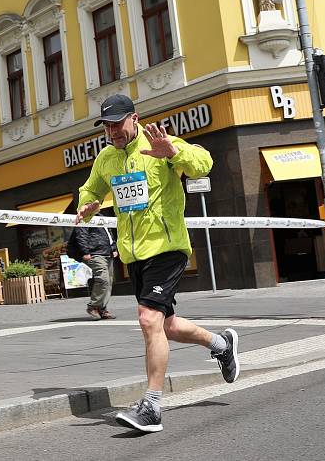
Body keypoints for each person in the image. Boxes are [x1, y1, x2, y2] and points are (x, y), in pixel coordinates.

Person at [75, 94, 239, 433]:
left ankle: (151, 406)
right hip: (135, 255)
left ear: (134, 118)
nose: (112, 132)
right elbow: (89, 188)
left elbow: (204, 163)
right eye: (106, 126)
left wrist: (174, 152)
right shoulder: (106, 158)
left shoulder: (159, 144)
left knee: (148, 319)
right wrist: (89, 203)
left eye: (117, 124)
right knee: (166, 326)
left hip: (167, 247)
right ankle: (222, 345)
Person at [67, 223, 118, 319]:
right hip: (95, 253)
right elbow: (81, 235)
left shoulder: (101, 217)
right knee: (103, 279)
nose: (99, 207)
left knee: (109, 281)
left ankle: (101, 308)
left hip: (107, 252)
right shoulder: (86, 218)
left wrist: (114, 247)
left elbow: (109, 233)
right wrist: (85, 251)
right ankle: (93, 306)